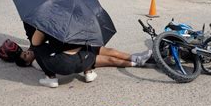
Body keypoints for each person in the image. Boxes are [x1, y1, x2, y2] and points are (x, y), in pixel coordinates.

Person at [17, 30, 153, 88]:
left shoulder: (41, 53)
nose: (27, 52)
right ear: (27, 62)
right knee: (109, 57)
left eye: (25, 52)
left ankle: (137, 60)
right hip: (79, 55)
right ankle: (138, 60)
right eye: (25, 55)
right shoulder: (37, 61)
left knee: (110, 56)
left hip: (78, 55)